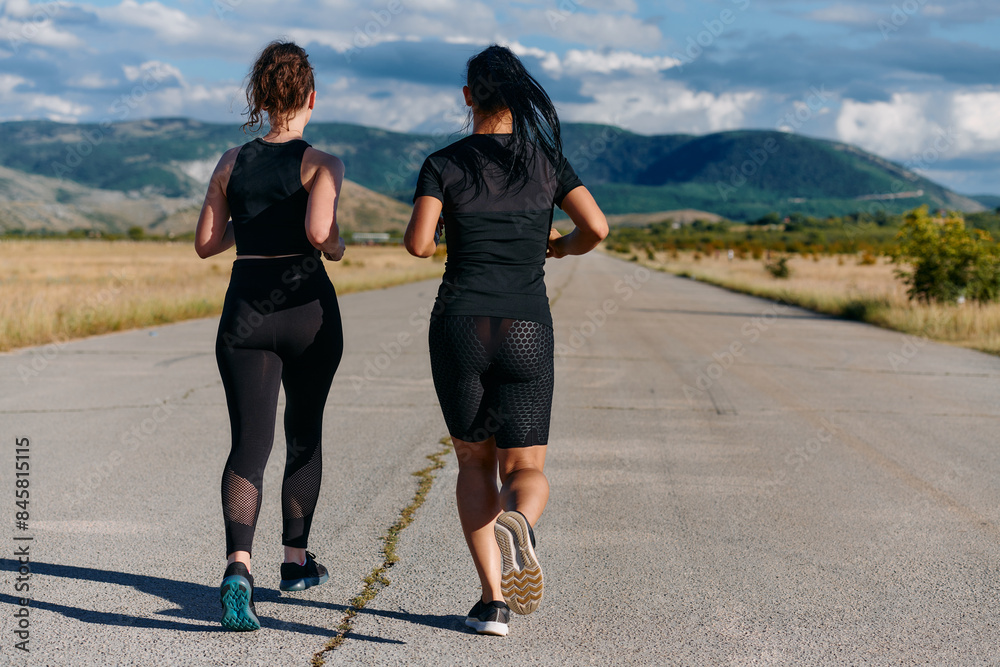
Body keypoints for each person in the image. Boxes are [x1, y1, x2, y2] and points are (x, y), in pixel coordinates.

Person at [404, 44, 608, 637]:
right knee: (526, 466)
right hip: (526, 327)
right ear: (518, 96)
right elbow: (595, 227)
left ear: (468, 96)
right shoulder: (545, 162)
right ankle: (519, 518)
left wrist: (449, 228)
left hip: (461, 325)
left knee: (474, 462)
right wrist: (559, 245)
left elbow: (419, 245)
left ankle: (493, 601)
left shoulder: (444, 162)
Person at [194, 40, 346, 632]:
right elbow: (318, 232)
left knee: (248, 446)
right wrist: (336, 244)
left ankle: (238, 568)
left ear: (259, 99)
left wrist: (248, 227)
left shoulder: (231, 161)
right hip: (307, 313)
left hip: (246, 313)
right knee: (303, 434)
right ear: (311, 97)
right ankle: (296, 562)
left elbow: (207, 242)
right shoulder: (323, 163)